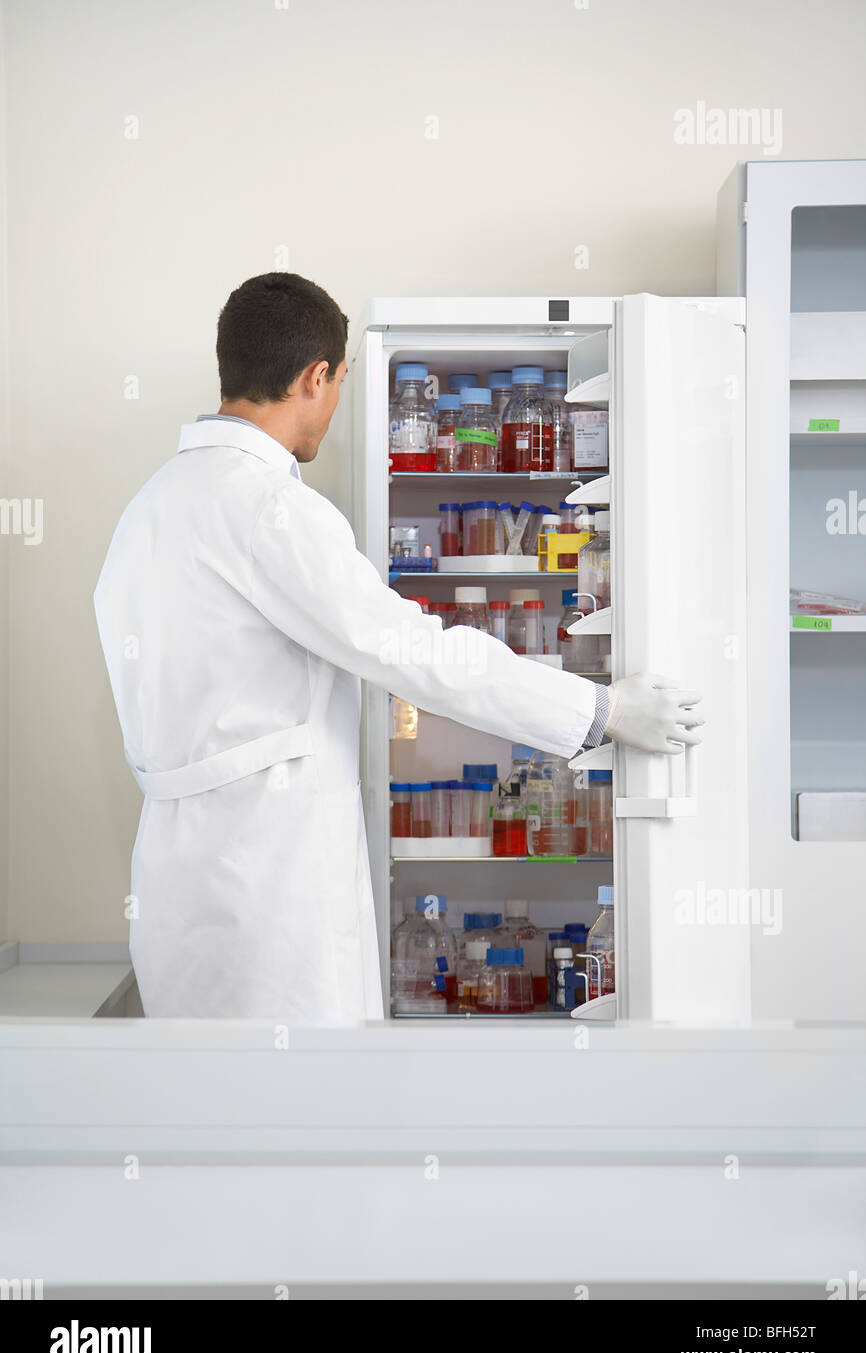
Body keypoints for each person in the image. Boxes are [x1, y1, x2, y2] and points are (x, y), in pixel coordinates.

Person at [94, 272, 702, 1021]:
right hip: (268, 887)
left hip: (175, 879)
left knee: (211, 1115)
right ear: (317, 376)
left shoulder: (149, 506)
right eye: (343, 382)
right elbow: (415, 651)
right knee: (296, 1114)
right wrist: (600, 709)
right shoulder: (271, 509)